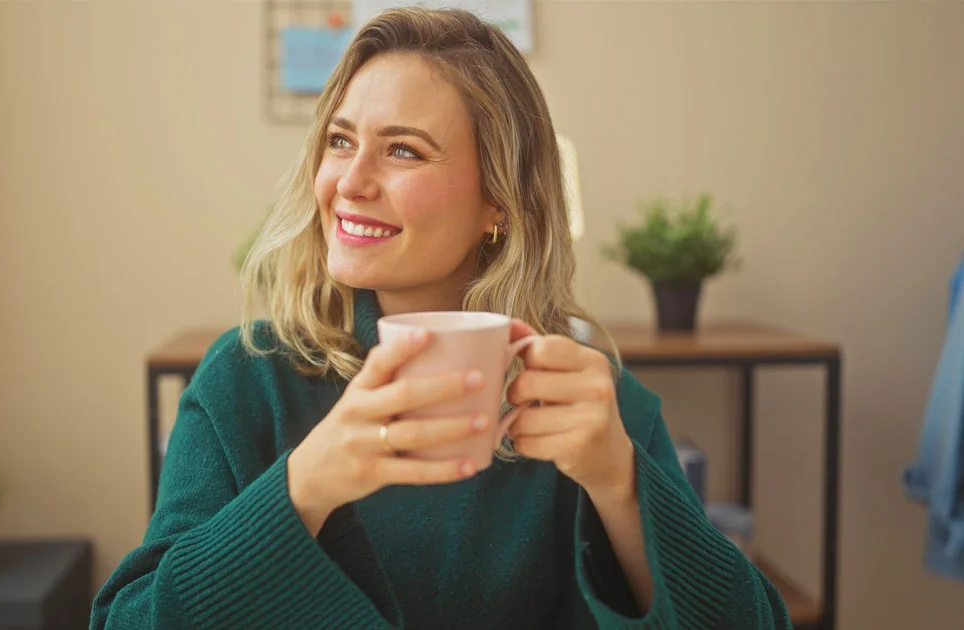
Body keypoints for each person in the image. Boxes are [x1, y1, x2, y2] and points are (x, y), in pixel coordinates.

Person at [91, 8, 791, 629]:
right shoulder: (247, 380)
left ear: (500, 205)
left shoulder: (594, 408)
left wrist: (620, 481)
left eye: (403, 150)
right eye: (340, 140)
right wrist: (305, 486)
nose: (350, 183)